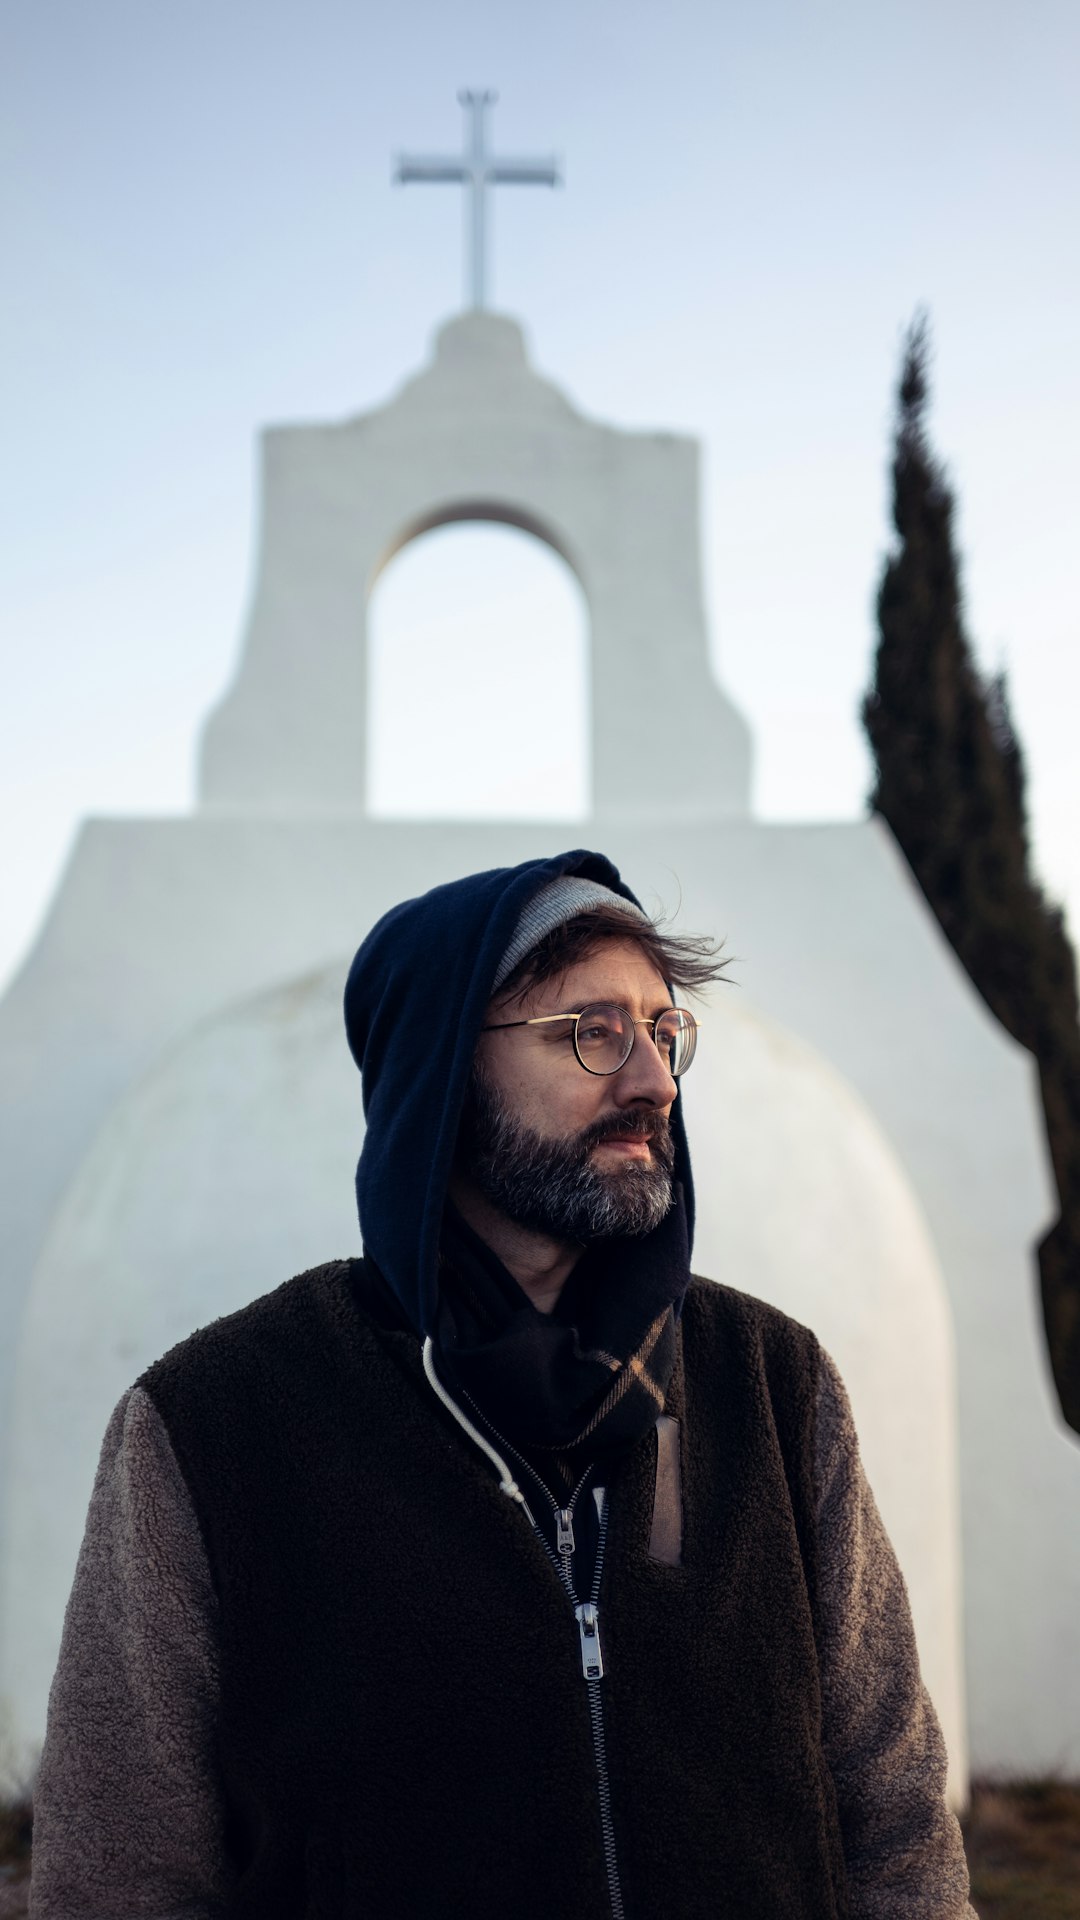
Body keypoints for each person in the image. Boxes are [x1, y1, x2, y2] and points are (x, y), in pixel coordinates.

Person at [30, 849, 974, 1919]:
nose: (654, 1082)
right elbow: (119, 1878)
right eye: (593, 1032)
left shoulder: (772, 1385)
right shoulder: (213, 1423)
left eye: (664, 1033)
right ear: (439, 1073)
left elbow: (895, 1824)